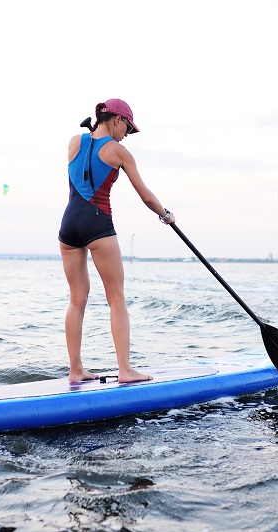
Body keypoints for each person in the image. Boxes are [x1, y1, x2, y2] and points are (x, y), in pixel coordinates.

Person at [58, 99, 175, 383]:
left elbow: (82, 176)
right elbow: (146, 196)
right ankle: (125, 370)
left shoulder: (74, 141)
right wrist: (166, 215)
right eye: (128, 129)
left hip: (68, 224)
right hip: (97, 223)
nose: (127, 135)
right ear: (117, 120)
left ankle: (75, 371)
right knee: (116, 298)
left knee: (76, 300)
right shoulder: (119, 151)